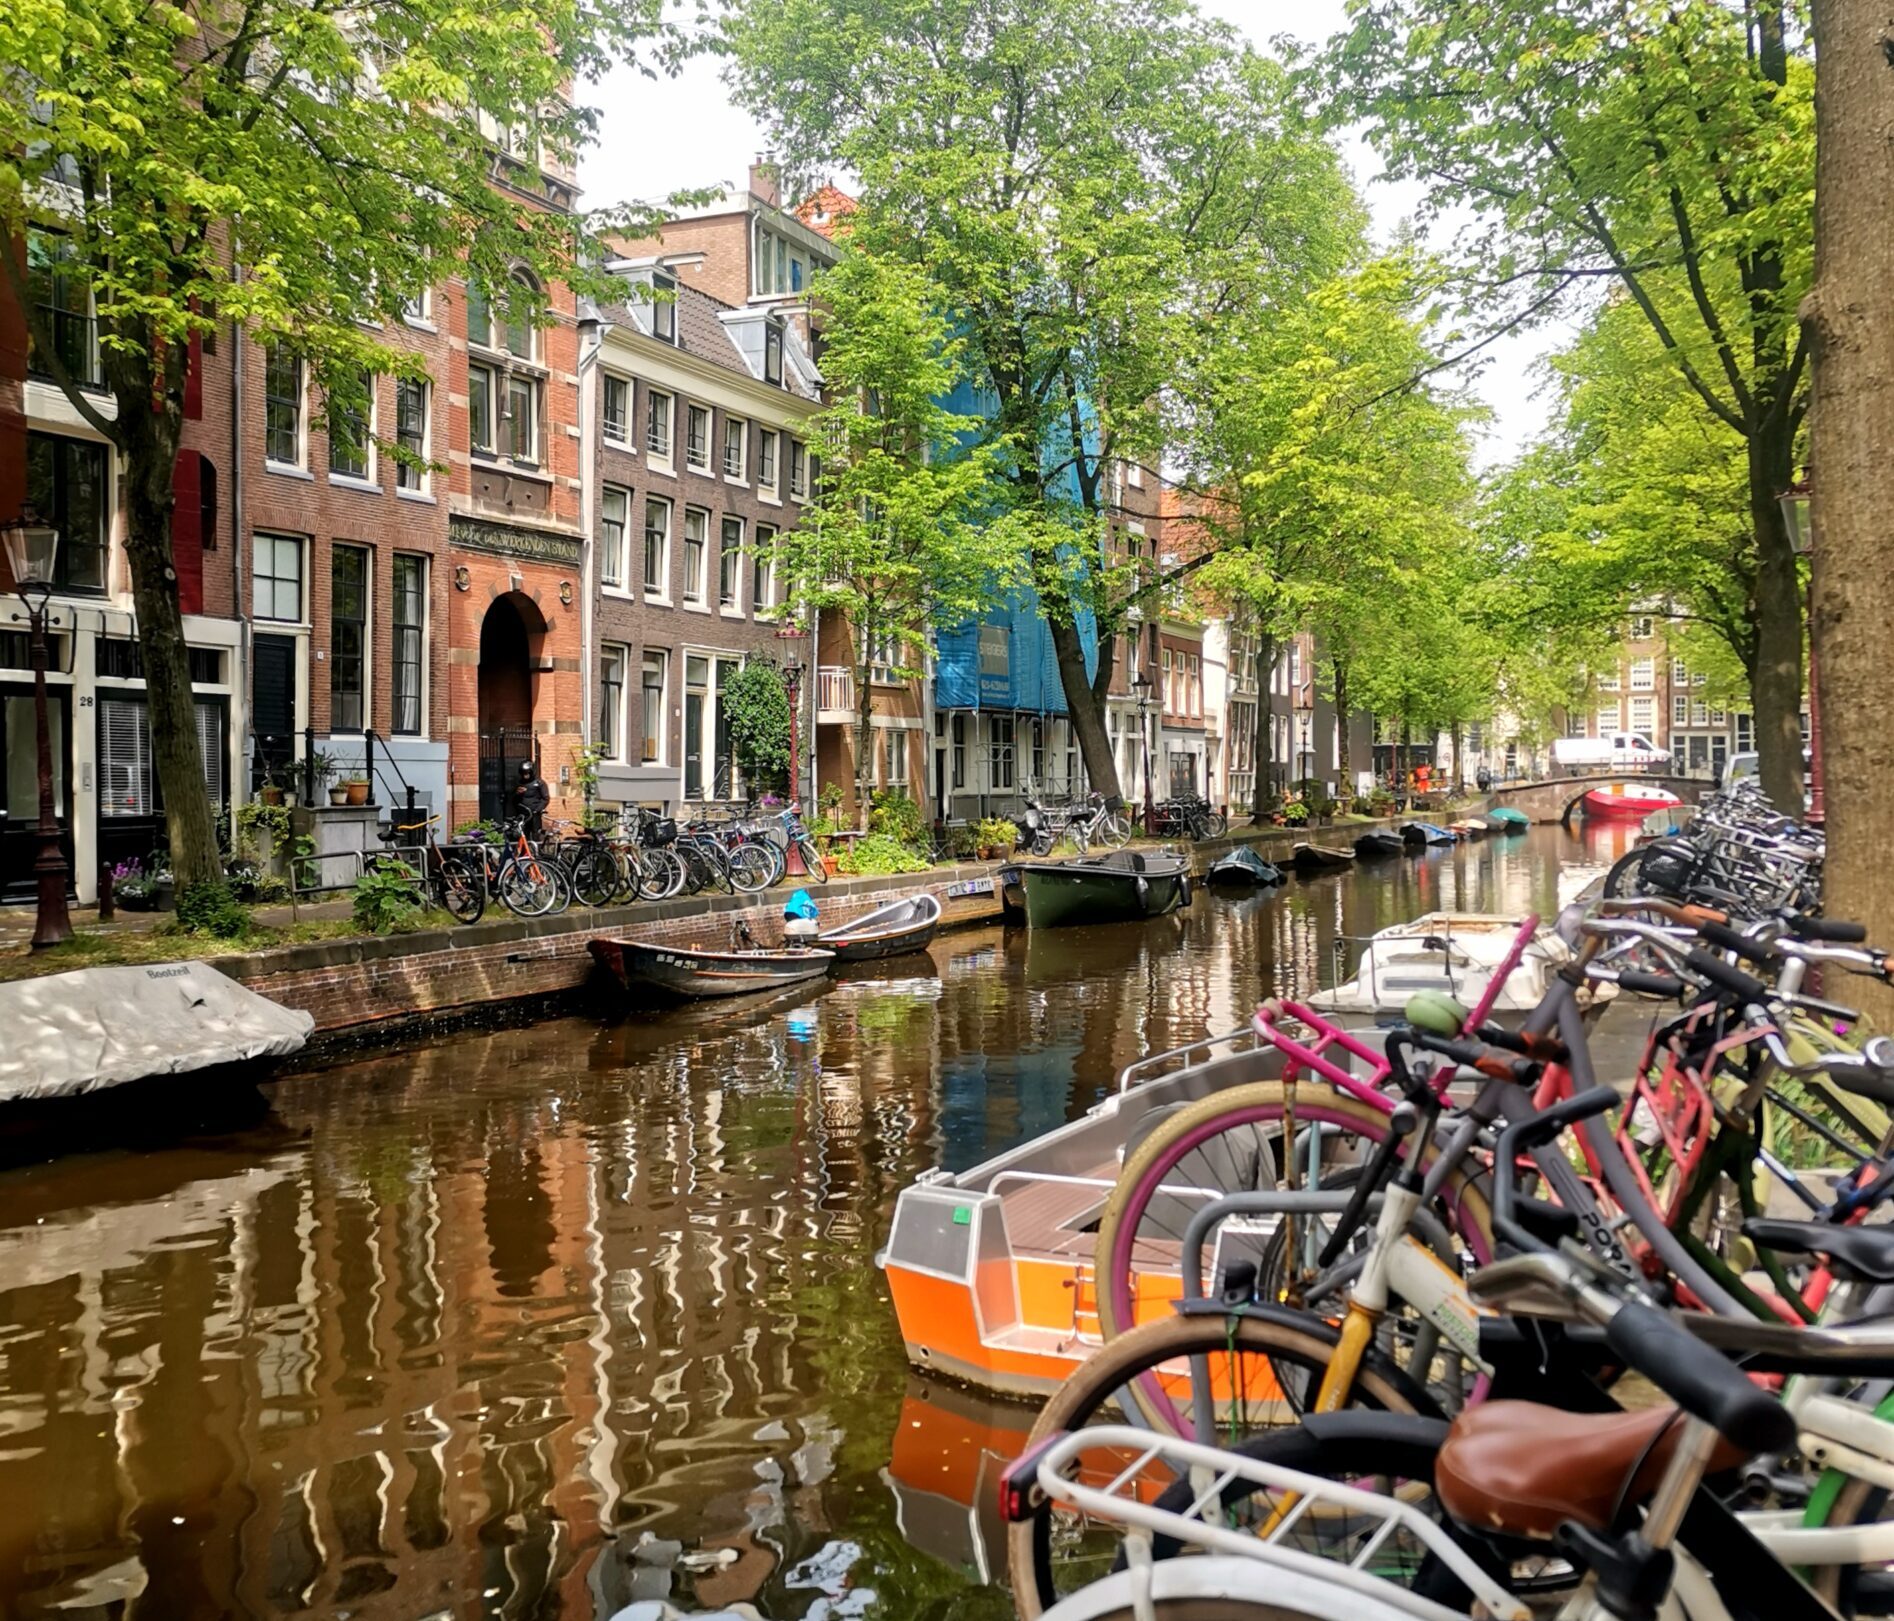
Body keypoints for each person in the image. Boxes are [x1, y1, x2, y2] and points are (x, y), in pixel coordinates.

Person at [512, 760, 549, 835]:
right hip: (522, 814)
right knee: (522, 834)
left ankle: (536, 845)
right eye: (523, 773)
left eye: (527, 773)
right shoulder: (519, 783)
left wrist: (537, 810)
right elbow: (513, 800)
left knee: (536, 833)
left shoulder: (539, 783)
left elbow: (545, 798)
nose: (525, 775)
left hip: (534, 814)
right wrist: (517, 793)